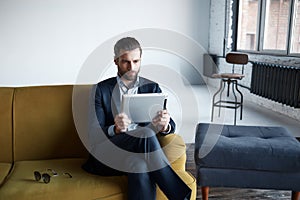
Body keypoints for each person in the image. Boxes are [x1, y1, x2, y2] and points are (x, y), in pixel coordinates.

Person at [82, 37, 191, 200]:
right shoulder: (101, 90)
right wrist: (115, 129)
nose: (131, 67)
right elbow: (93, 135)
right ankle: (180, 196)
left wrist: (165, 125)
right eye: (126, 62)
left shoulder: (151, 87)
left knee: (139, 165)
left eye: (136, 61)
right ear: (116, 61)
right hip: (108, 154)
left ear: (140, 60)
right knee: (146, 134)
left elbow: (170, 125)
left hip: (140, 155)